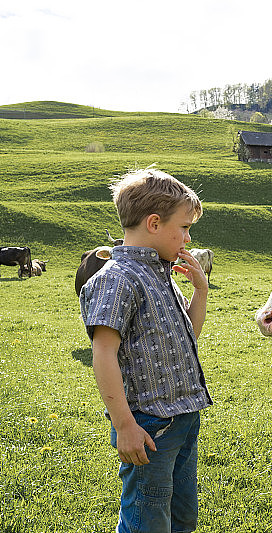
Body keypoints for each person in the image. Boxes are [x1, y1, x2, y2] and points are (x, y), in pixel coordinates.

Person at [80, 167, 212, 533]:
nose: (188, 237)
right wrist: (124, 425)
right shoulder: (116, 279)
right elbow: (103, 355)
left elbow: (189, 336)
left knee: (182, 515)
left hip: (185, 417)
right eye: (184, 228)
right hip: (149, 427)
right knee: (147, 519)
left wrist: (200, 292)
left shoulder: (162, 274)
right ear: (154, 223)